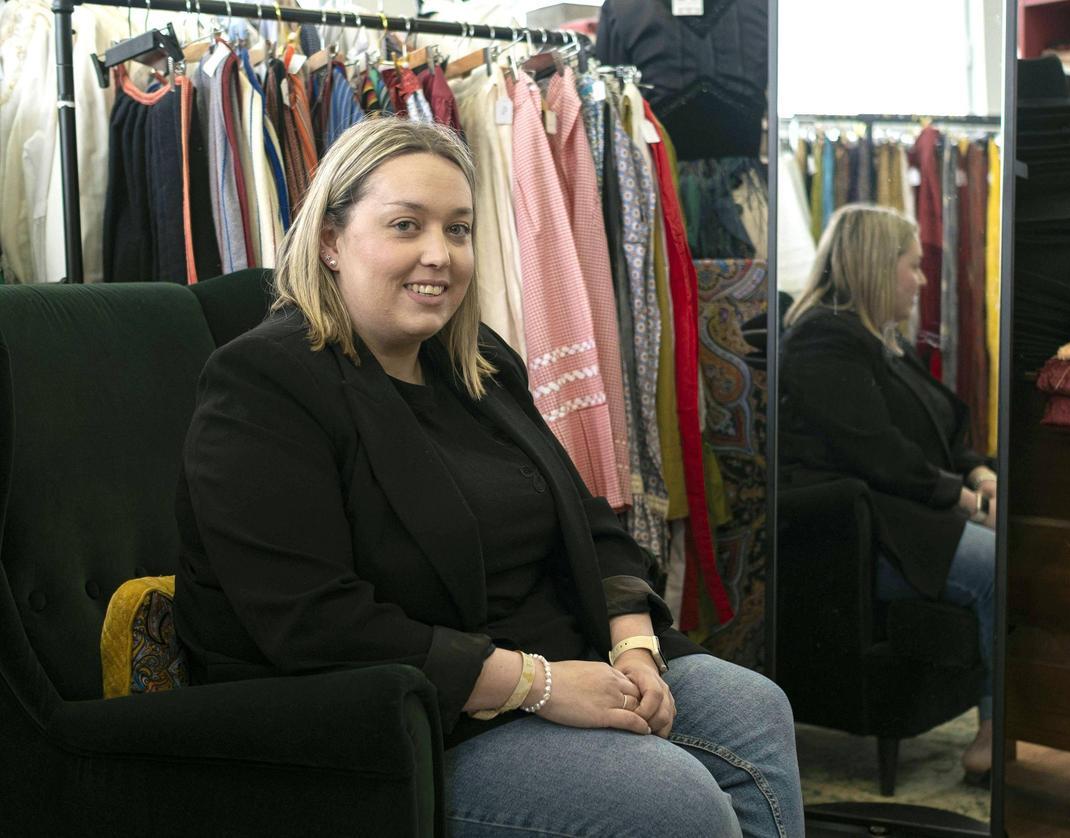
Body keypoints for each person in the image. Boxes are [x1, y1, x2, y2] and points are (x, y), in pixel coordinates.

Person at [173, 116, 804, 837]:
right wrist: (536, 685)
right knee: (674, 800)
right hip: (405, 717)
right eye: (406, 225)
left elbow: (589, 521)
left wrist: (634, 645)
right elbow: (311, 619)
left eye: (460, 229)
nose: (439, 254)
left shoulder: (476, 364)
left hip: (567, 656)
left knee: (755, 709)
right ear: (329, 241)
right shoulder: (264, 384)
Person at [778, 203, 996, 783]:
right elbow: (874, 447)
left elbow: (934, 431)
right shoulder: (822, 340)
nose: (922, 280)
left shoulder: (878, 341)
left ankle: (1000, 721)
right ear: (878, 265)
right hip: (865, 540)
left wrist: (976, 472)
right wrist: (960, 498)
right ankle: (998, 728)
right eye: (913, 266)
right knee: (1000, 563)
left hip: (903, 518)